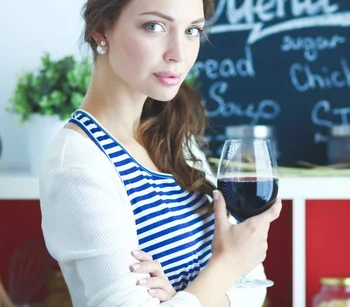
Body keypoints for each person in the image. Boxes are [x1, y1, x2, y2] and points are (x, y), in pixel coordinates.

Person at [38, 0, 282, 306]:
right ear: (102, 30)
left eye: (192, 30)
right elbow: (238, 264)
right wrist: (226, 266)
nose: (178, 54)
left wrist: (183, 298)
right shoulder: (79, 167)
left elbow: (253, 283)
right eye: (154, 26)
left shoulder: (174, 138)